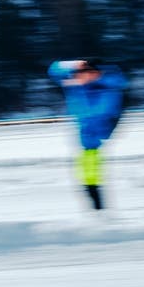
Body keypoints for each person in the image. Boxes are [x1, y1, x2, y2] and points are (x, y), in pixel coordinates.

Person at [48, 59, 128, 210]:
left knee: (90, 174)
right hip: (85, 134)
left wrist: (76, 82)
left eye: (85, 75)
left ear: (96, 74)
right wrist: (75, 64)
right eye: (78, 75)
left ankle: (98, 208)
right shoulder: (77, 85)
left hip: (96, 134)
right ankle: (95, 203)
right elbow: (53, 69)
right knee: (85, 175)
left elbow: (107, 111)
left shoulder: (106, 88)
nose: (81, 78)